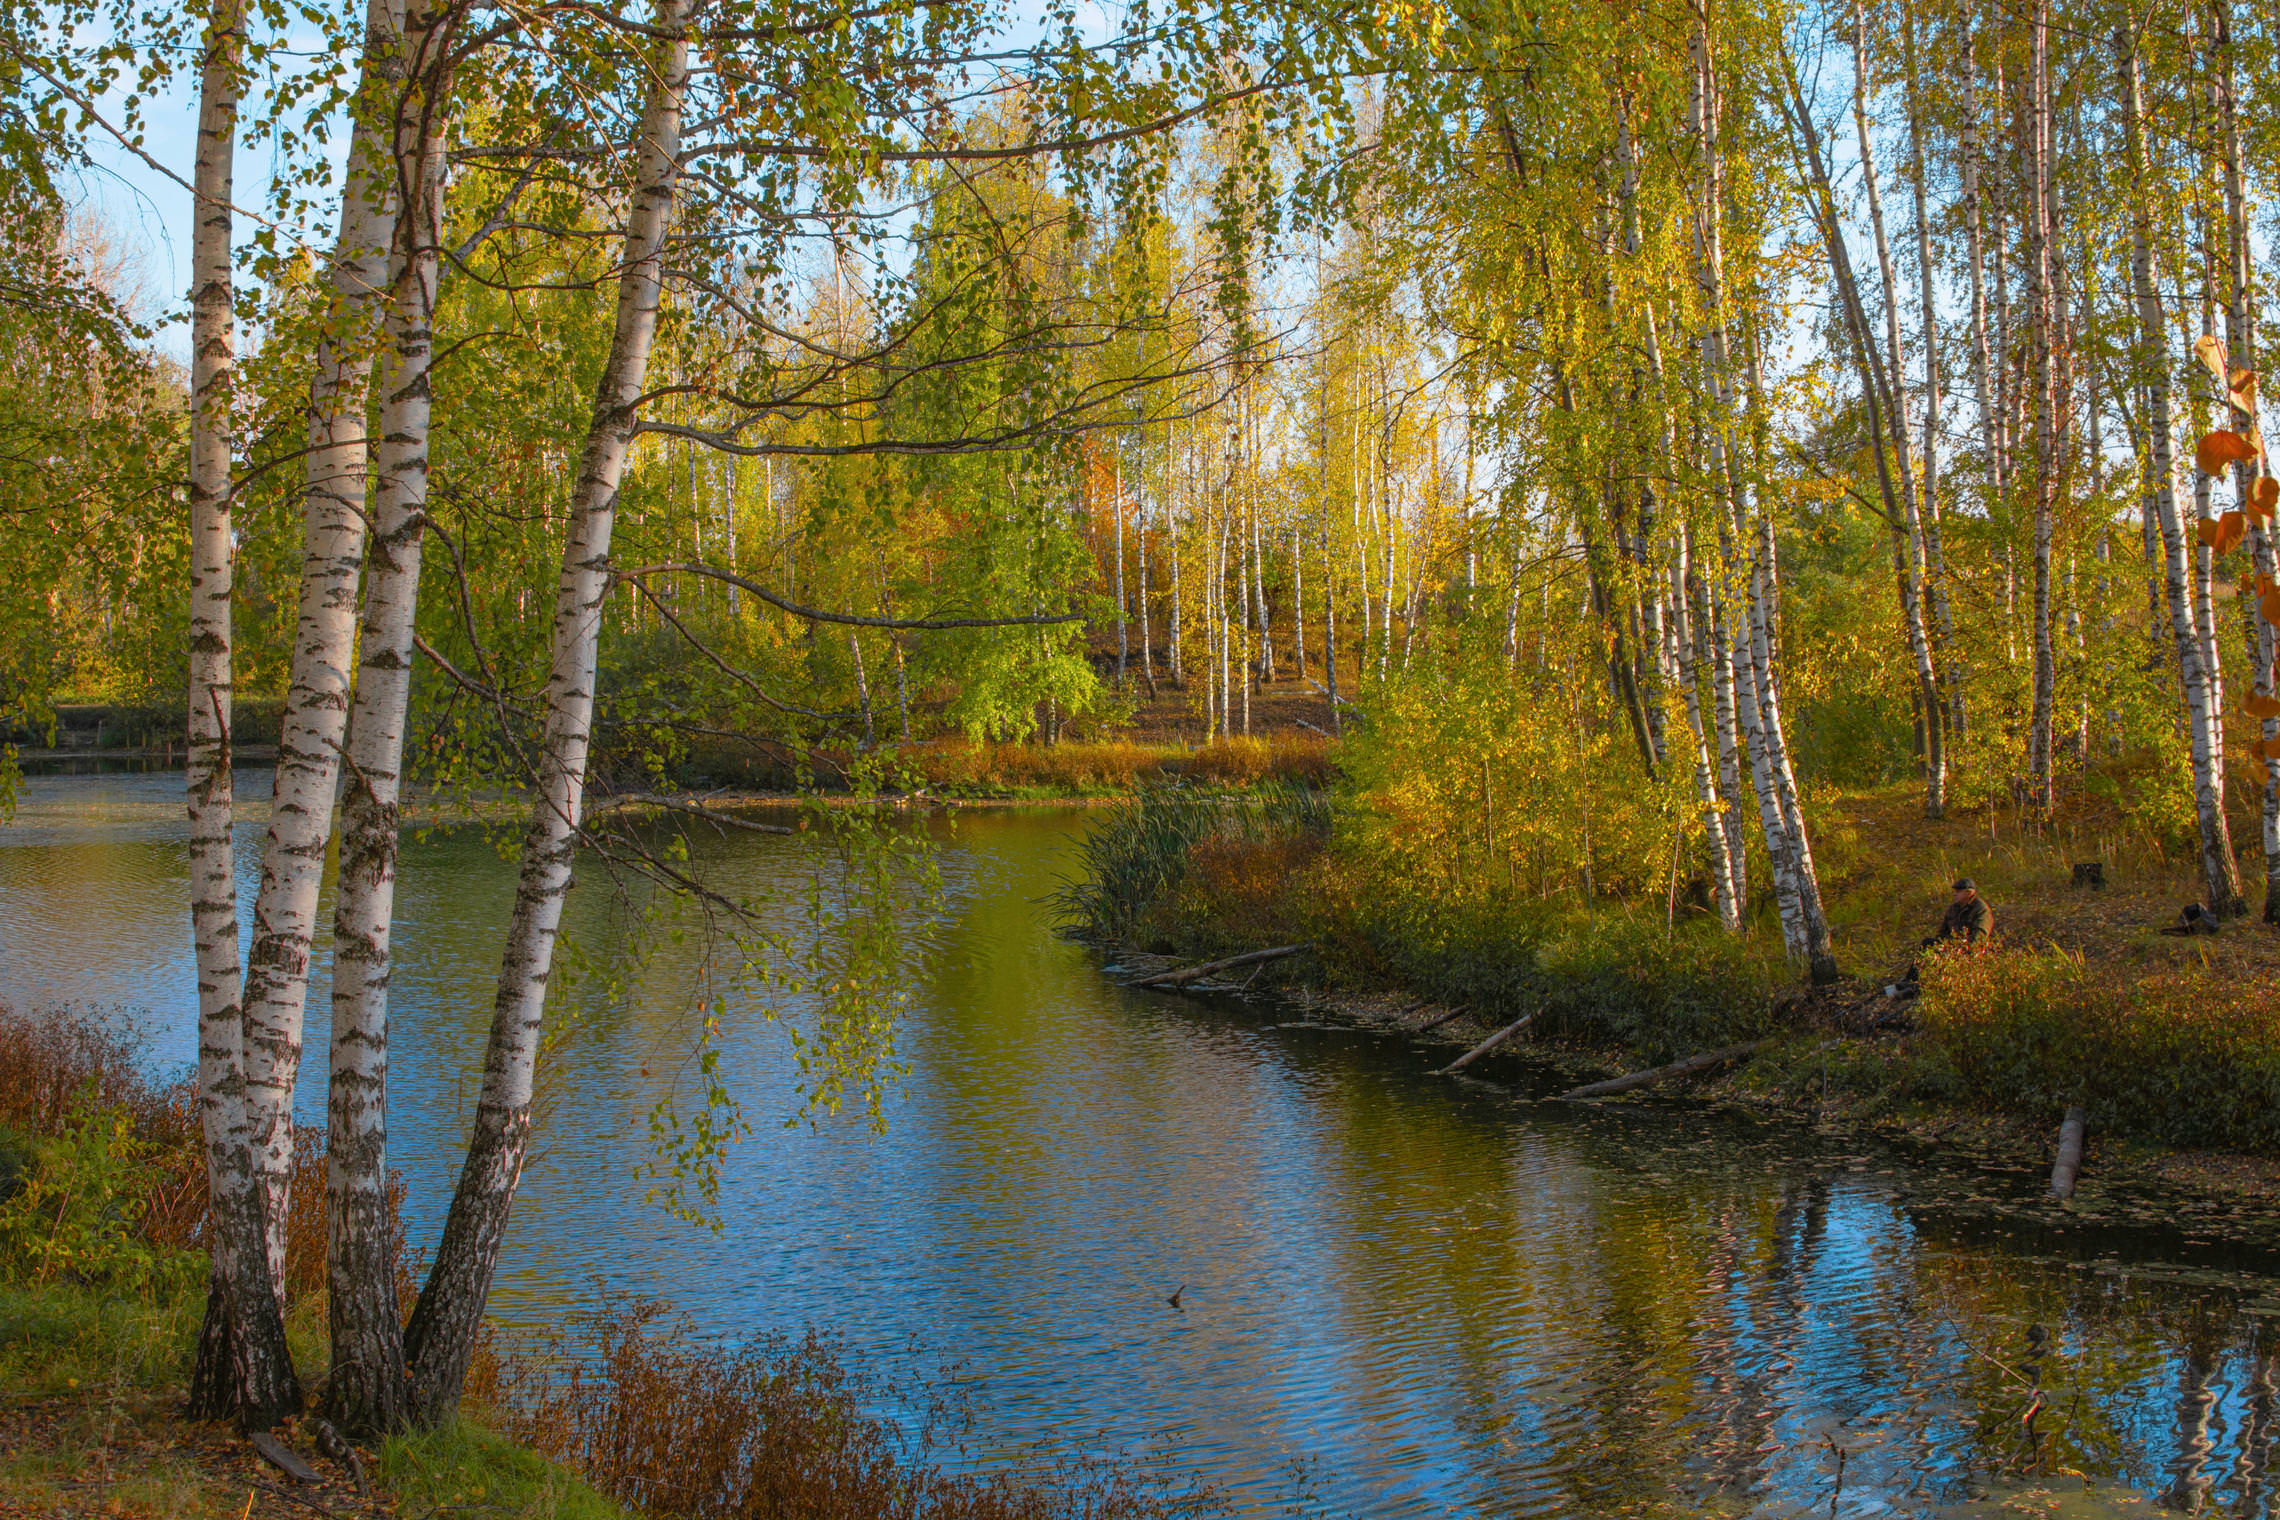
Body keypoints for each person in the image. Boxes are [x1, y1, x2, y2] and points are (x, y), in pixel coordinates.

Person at [1929, 878, 1992, 947]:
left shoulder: (1981, 909)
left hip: (1970, 949)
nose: (1954, 894)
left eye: (1958, 891)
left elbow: (1979, 937)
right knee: (1928, 942)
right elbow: (1942, 933)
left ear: (1969, 893)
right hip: (1953, 946)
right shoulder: (1953, 908)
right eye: (1954, 891)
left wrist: (1959, 947)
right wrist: (1940, 945)